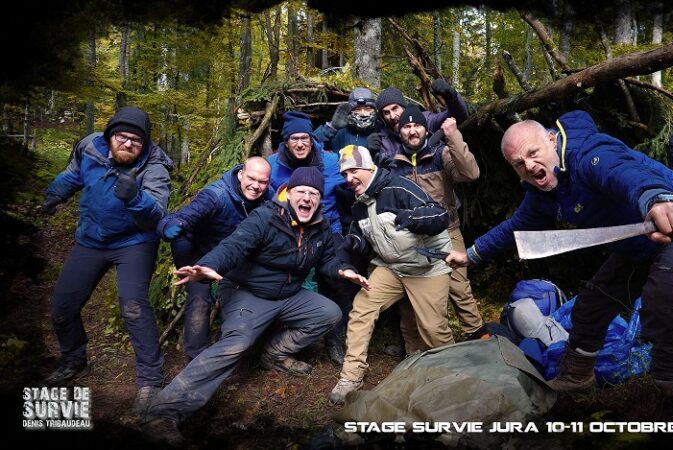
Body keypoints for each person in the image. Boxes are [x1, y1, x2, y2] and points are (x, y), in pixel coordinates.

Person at [446, 110, 673, 421]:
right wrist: (470, 255)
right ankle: (577, 377)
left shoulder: (589, 154)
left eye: (533, 153)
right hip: (639, 243)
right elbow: (515, 229)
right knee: (591, 306)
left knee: (664, 293)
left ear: (552, 141)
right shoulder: (544, 194)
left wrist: (659, 200)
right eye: (519, 164)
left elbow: (625, 173)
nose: (529, 166)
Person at [141, 167, 369, 446]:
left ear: (320, 199)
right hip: (247, 292)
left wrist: (343, 270)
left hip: (288, 295)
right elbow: (233, 246)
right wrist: (208, 266)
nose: (307, 197)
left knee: (329, 313)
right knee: (236, 343)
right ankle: (164, 411)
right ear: (289, 193)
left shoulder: (320, 228)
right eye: (301, 191)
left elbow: (327, 261)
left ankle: (274, 354)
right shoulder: (265, 217)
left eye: (314, 193)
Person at [41, 106, 173, 415]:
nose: (128, 144)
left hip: (135, 242)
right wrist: (55, 194)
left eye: (135, 141)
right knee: (63, 305)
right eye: (121, 137)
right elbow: (73, 173)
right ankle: (73, 358)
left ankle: (151, 381)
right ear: (109, 135)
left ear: (145, 144)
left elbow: (157, 212)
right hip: (92, 238)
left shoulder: (155, 165)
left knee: (134, 306)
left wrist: (136, 198)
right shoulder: (90, 146)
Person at [329, 145, 455, 405]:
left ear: (369, 168)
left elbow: (440, 215)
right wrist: (354, 244)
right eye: (344, 175)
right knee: (362, 308)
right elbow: (360, 237)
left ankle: (452, 377)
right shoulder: (359, 205)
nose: (349, 179)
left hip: (427, 267)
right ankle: (351, 375)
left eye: (353, 171)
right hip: (392, 268)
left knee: (433, 328)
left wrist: (412, 217)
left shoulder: (398, 188)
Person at [156, 157, 272, 361]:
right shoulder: (217, 194)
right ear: (240, 174)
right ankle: (197, 358)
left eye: (262, 182)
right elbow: (187, 215)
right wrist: (170, 225)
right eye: (251, 179)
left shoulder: (267, 198)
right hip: (198, 255)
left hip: (231, 254)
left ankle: (244, 343)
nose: (256, 186)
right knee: (200, 298)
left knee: (247, 290)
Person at [267, 111, 360, 366]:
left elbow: (356, 179)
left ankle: (335, 339)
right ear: (285, 141)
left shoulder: (331, 161)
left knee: (340, 281)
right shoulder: (274, 165)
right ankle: (288, 340)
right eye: (293, 138)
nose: (299, 143)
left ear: (311, 139)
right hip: (290, 234)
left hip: (330, 231)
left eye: (304, 137)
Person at [389, 106, 484, 339]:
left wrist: (453, 136)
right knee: (413, 292)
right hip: (413, 237)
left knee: (460, 288)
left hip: (448, 232)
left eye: (417, 125)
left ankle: (479, 337)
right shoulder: (394, 164)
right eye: (407, 127)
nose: (412, 131)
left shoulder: (440, 154)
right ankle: (419, 347)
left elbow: (470, 173)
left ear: (425, 128)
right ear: (400, 132)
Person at [368, 79, 469, 165]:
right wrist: (372, 153)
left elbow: (458, 117)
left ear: (403, 107)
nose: (392, 116)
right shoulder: (383, 139)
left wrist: (451, 96)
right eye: (386, 113)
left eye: (395, 108)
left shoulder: (424, 120)